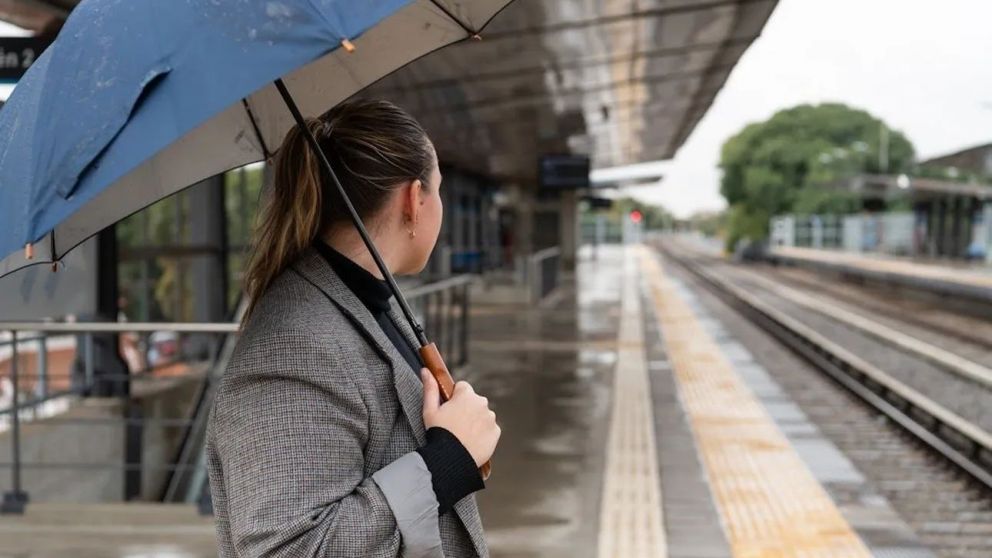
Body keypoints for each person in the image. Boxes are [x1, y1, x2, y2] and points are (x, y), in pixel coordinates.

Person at [206, 100, 501, 558]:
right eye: (438, 189)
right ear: (413, 199)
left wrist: (456, 440)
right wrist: (445, 461)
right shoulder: (294, 344)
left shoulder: (371, 300)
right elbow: (287, 549)